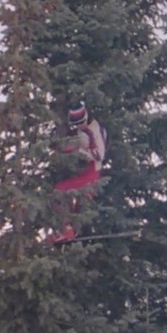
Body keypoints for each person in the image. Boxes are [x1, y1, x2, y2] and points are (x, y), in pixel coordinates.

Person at [46, 101, 107, 243]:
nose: (78, 126)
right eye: (75, 124)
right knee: (74, 202)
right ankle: (69, 230)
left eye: (80, 122)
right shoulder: (82, 130)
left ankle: (66, 229)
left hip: (91, 172)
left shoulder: (94, 129)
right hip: (82, 171)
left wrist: (79, 151)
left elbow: (100, 154)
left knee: (59, 191)